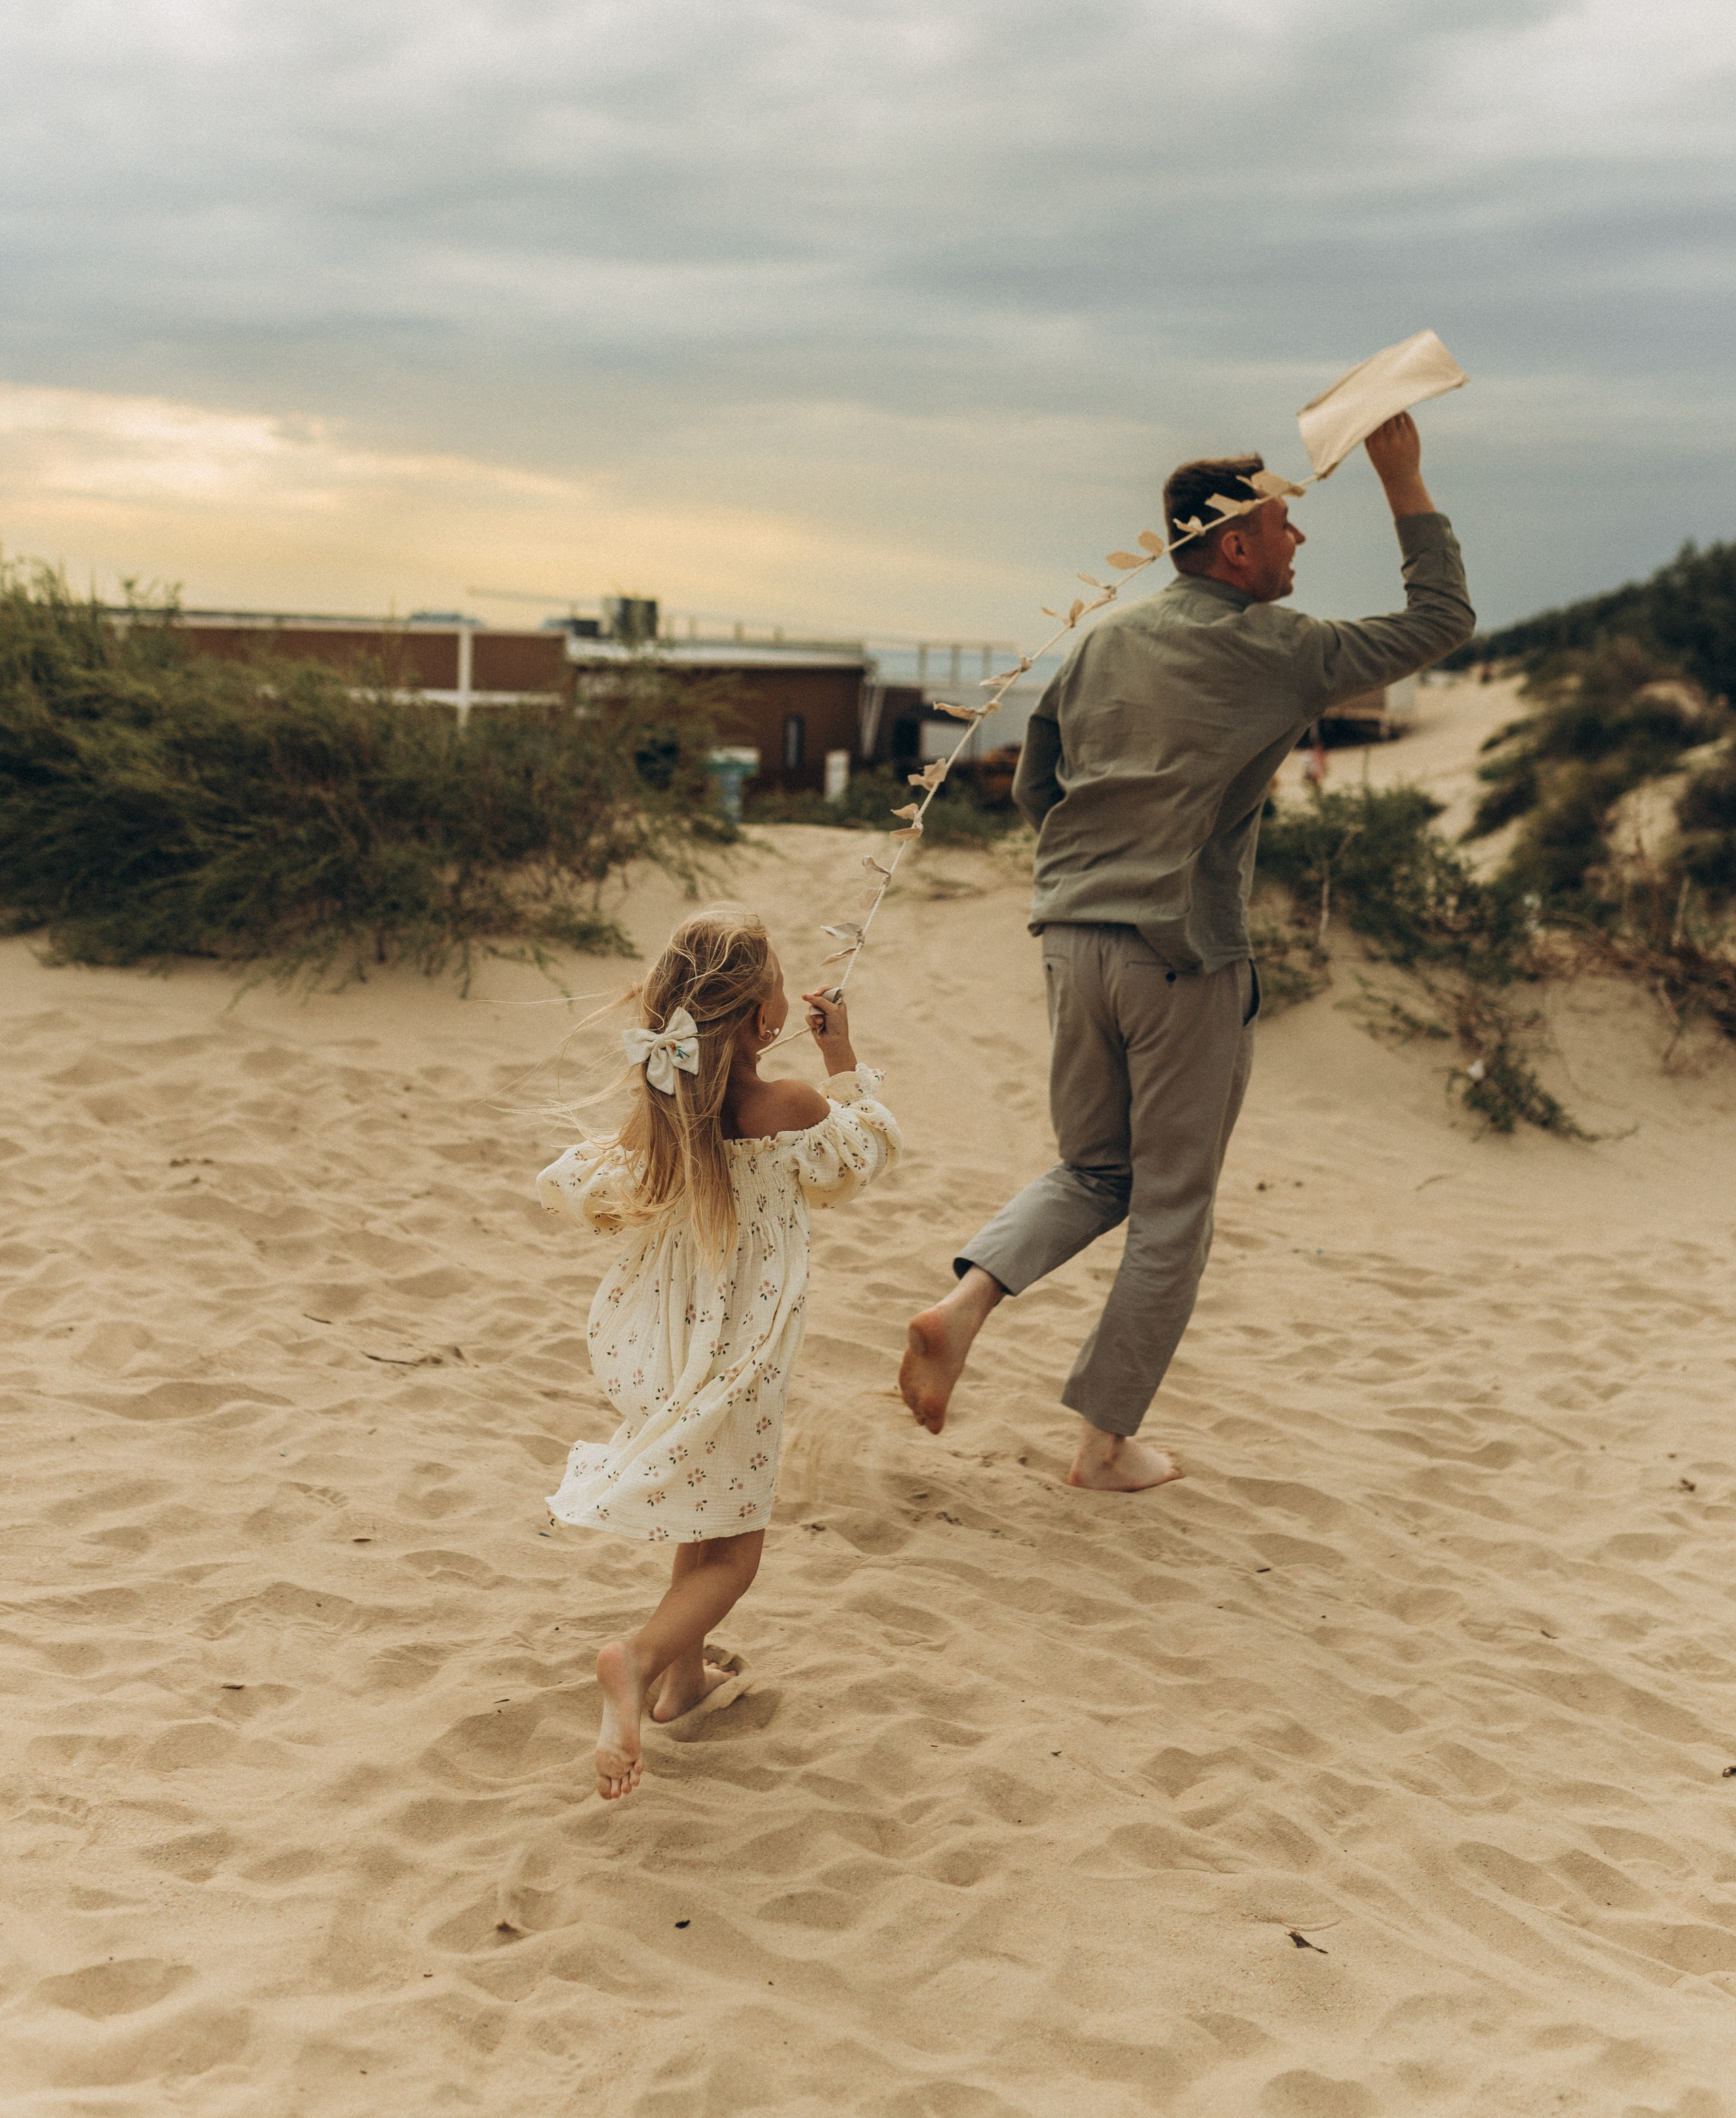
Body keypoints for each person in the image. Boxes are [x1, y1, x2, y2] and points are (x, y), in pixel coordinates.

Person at [897, 412, 1472, 1489]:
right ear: (1236, 547)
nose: (1299, 539)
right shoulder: (1281, 649)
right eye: (1285, 524)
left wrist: (1096, 867)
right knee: (1171, 1207)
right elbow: (1442, 617)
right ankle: (1104, 1447)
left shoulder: (1100, 640)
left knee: (1092, 1169)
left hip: (1070, 937)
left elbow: (1033, 784)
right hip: (1180, 951)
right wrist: (1404, 476)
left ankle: (962, 1305)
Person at [538, 905, 899, 1801]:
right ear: (762, 1017)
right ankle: (638, 1658)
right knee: (736, 1554)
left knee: (706, 1511)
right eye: (777, 988)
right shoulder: (790, 1106)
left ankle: (684, 1680)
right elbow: (861, 1158)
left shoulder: (667, 1113)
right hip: (744, 1350)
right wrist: (844, 1059)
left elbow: (594, 1192)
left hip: (673, 1340)